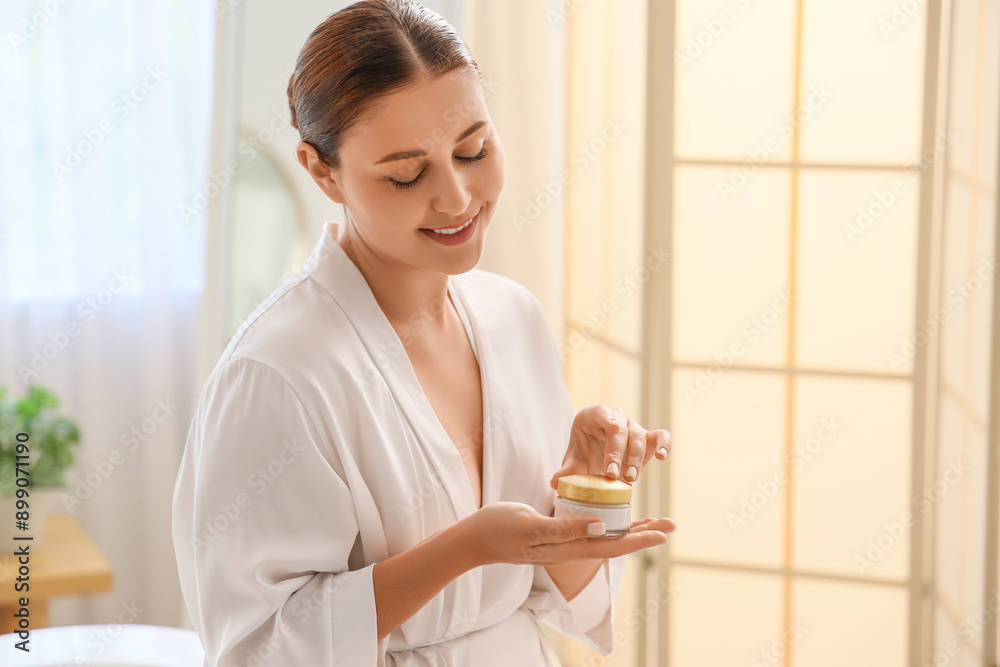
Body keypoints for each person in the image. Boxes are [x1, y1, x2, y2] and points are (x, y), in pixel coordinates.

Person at [170, 1, 676, 664]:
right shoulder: (276, 373)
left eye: (474, 149)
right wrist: (469, 546)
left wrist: (579, 496)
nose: (458, 198)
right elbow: (260, 646)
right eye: (406, 174)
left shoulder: (512, 316)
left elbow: (555, 593)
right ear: (322, 169)